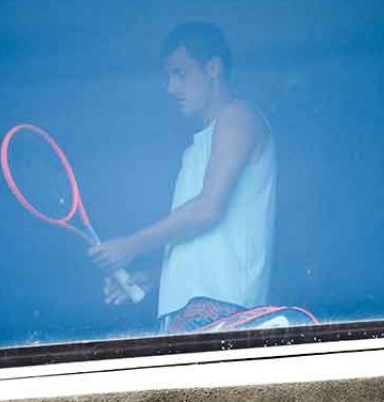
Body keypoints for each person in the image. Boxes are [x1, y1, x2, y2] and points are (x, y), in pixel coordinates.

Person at [88, 22, 276, 334]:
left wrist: (132, 245)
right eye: (169, 76)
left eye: (180, 73)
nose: (171, 88)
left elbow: (208, 209)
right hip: (191, 311)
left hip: (219, 311)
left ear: (213, 67)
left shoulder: (237, 116)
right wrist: (151, 276)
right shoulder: (197, 147)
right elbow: (206, 244)